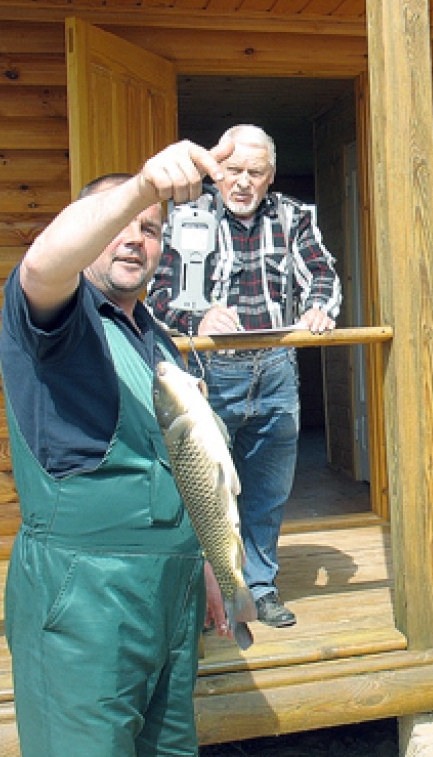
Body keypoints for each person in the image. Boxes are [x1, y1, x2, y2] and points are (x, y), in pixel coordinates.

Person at [0, 140, 236, 756]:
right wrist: (141, 188)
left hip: (171, 596)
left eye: (151, 230)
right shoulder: (54, 315)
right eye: (119, 226)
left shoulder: (156, 337)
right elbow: (43, 263)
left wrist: (206, 554)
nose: (135, 238)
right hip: (86, 599)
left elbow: (186, 464)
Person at [147, 124, 342, 628]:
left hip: (277, 369)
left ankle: (258, 586)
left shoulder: (295, 217)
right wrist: (199, 320)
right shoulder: (187, 216)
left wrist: (320, 307)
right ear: (218, 170)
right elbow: (158, 295)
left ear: (269, 175)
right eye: (233, 171)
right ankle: (202, 598)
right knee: (204, 492)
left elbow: (321, 273)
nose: (242, 182)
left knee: (267, 489)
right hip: (206, 374)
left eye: (255, 173)